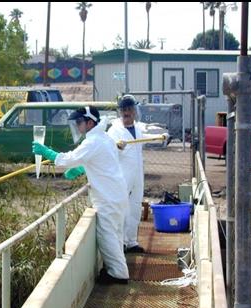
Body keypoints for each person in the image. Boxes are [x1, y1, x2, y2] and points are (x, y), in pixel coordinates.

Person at [32, 106, 130, 285]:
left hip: (108, 195)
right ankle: (118, 269)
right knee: (115, 233)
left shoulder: (93, 141)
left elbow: (69, 159)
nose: (77, 126)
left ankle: (118, 274)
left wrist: (47, 152)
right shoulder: (104, 138)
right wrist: (81, 167)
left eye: (79, 122)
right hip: (115, 193)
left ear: (90, 122)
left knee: (107, 234)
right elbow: (101, 162)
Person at [107, 95, 169, 254]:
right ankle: (119, 242)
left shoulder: (138, 128)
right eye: (124, 110)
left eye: (130, 109)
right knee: (122, 208)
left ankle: (131, 241)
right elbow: (107, 148)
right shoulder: (114, 130)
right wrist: (116, 146)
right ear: (120, 112)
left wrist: (161, 137)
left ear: (135, 111)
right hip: (123, 175)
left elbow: (146, 137)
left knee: (135, 206)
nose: (127, 112)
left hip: (137, 175)